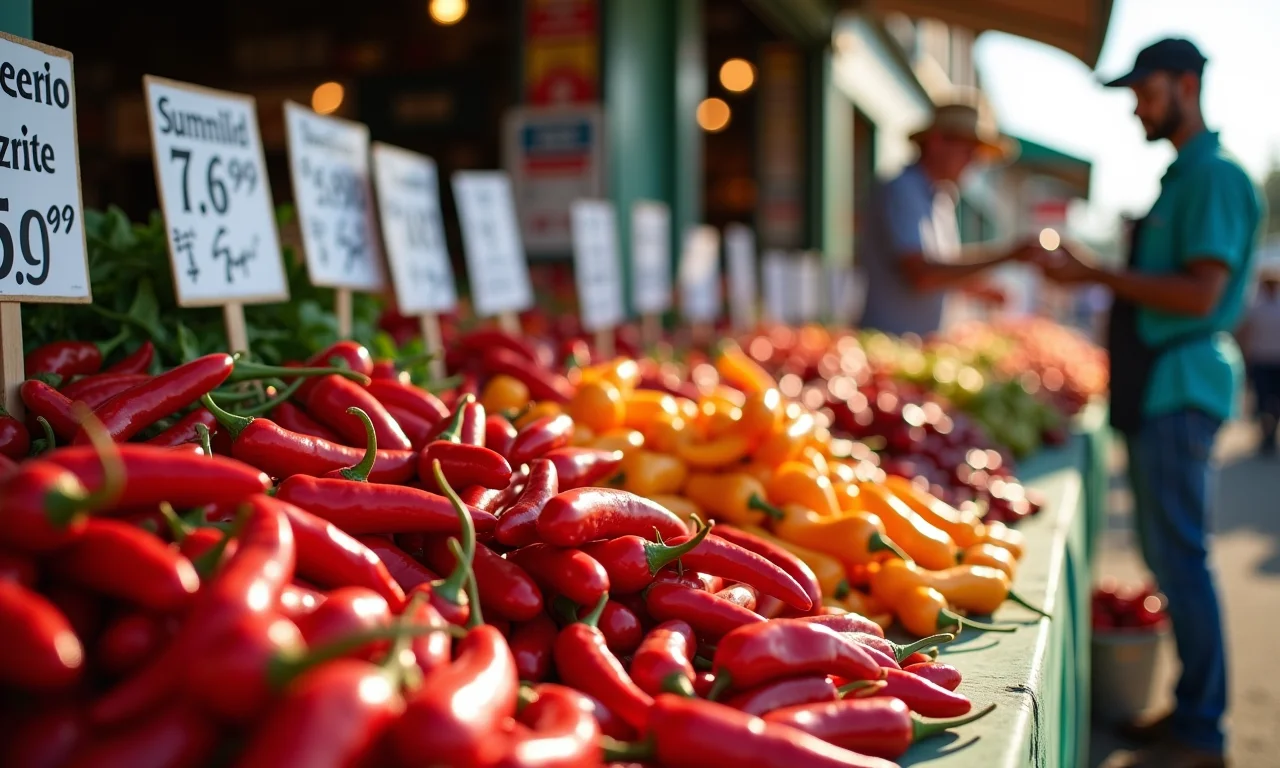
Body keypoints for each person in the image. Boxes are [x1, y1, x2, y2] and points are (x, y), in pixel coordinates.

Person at [1034, 38, 1262, 768]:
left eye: (1147, 89)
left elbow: (1200, 292)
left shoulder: (1215, 177)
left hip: (1180, 387)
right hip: (1160, 384)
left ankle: (1203, 729)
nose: (1137, 104)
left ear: (1186, 85)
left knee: (1182, 560)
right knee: (1171, 560)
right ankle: (1193, 711)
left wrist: (1100, 273)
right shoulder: (1185, 176)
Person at [859, 100, 1034, 338]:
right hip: (887, 345)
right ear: (937, 142)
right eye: (969, 151)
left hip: (920, 346)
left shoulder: (942, 200)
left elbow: (941, 270)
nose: (974, 162)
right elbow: (922, 274)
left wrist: (981, 289)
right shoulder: (902, 189)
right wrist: (1009, 255)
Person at [1238, 271, 1280, 454]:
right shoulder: (1255, 305)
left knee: (1275, 400)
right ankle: (1266, 435)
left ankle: (1271, 434)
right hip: (1261, 359)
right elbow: (1246, 332)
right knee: (1263, 400)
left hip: (1276, 360)